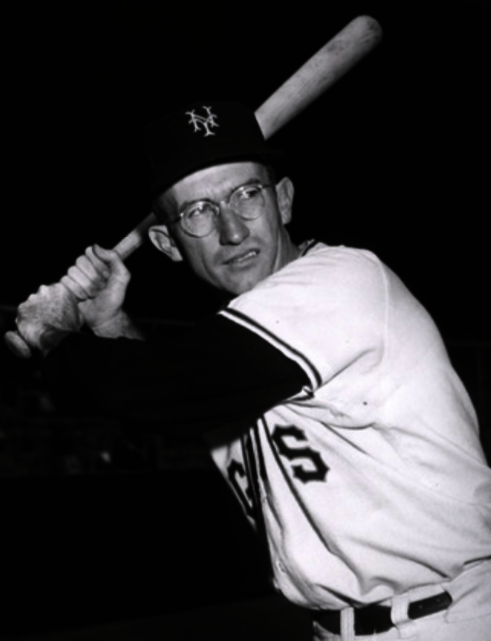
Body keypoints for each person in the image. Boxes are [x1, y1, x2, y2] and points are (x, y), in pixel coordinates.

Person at [13, 102, 491, 641]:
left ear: (283, 200)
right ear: (168, 244)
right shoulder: (242, 349)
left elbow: (161, 390)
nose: (232, 231)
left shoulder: (343, 282)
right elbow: (180, 388)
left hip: (453, 619)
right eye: (198, 211)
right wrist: (112, 322)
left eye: (247, 195)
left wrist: (50, 334)